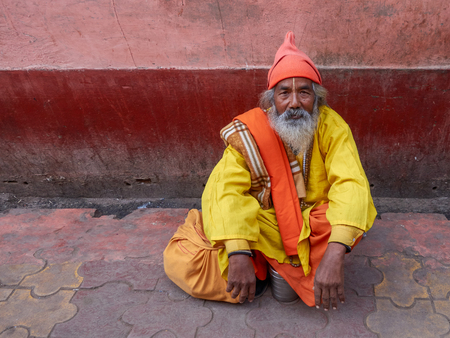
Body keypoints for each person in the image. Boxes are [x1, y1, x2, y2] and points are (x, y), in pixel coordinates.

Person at [164, 31, 376, 311]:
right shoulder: (250, 132)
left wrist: (336, 253)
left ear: (317, 99)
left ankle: (281, 263)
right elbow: (224, 188)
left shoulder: (332, 126)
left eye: (304, 92)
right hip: (266, 220)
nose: (295, 103)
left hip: (313, 225)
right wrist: (238, 252)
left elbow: (351, 184)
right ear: (270, 101)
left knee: (346, 222)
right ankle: (261, 262)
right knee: (187, 260)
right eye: (284, 93)